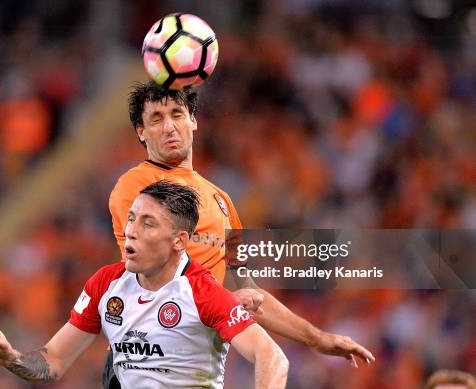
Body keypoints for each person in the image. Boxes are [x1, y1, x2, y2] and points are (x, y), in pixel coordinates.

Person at [106, 82, 374, 387]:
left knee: (273, 360)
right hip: (148, 360)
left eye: (177, 114)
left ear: (193, 119)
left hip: (196, 366)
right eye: (156, 119)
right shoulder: (136, 186)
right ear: (141, 131)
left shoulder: (221, 201)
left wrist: (317, 338)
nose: (169, 127)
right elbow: (147, 282)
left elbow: (247, 290)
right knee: (272, 359)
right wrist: (223, 303)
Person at [0, 181, 289, 388]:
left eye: (147, 223)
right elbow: (53, 360)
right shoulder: (106, 284)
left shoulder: (202, 293)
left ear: (179, 241)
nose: (131, 231)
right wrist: (11, 357)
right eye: (132, 218)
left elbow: (272, 357)